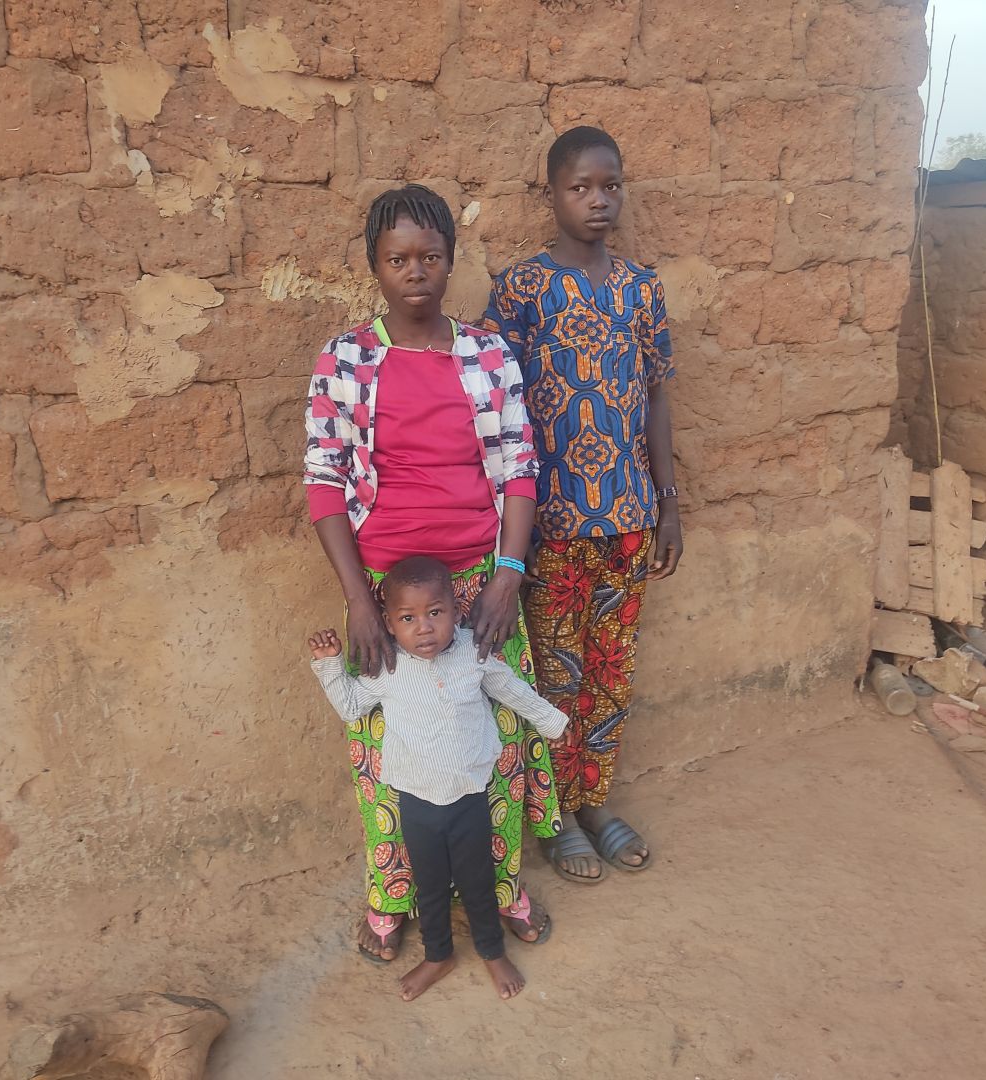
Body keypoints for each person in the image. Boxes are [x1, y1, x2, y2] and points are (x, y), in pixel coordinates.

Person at [302, 184, 562, 962]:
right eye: (397, 259)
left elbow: (519, 467)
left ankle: (501, 884)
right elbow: (324, 483)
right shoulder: (346, 359)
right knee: (387, 754)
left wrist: (508, 576)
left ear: (451, 261)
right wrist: (360, 602)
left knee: (499, 746)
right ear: (375, 266)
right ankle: (392, 896)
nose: (414, 271)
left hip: (479, 586)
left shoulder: (488, 354)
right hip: (389, 599)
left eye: (430, 256)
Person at [483, 126, 684, 884]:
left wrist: (668, 503)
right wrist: (508, 524)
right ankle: (554, 816)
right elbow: (497, 410)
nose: (599, 201)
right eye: (580, 187)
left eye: (611, 186)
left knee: (610, 672)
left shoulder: (641, 288)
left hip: (628, 519)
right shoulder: (521, 289)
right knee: (553, 676)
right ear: (553, 196)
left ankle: (594, 801)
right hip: (552, 527)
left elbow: (656, 396)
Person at [308, 556, 569, 1000]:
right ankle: (438, 955)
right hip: (416, 801)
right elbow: (351, 708)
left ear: (455, 611)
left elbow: (514, 692)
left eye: (435, 612)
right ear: (389, 624)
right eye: (408, 618)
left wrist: (555, 724)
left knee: (478, 880)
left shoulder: (473, 654)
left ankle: (492, 952)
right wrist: (330, 664)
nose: (424, 628)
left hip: (469, 796)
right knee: (428, 885)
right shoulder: (387, 667)